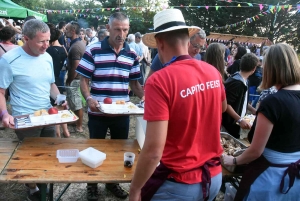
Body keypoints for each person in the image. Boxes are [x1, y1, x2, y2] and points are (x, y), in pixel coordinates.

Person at [129, 9, 227, 201]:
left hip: (179, 185)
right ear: (187, 40)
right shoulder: (212, 72)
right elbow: (222, 107)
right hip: (213, 177)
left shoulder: (159, 80)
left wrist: (135, 188)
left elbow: (153, 151)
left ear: (160, 42)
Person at [76, 12, 144, 200]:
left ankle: (112, 183)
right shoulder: (93, 49)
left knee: (118, 151)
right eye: (117, 29)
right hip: (98, 112)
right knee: (94, 149)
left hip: (122, 113)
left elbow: (135, 85)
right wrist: (89, 98)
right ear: (108, 28)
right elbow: (84, 80)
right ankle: (92, 185)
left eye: (125, 29)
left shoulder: (132, 53)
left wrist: (148, 98)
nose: (121, 34)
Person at [222, 43, 300, 201]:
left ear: (272, 68)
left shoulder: (274, 102)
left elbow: (256, 150)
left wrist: (234, 160)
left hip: (269, 177)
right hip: (294, 179)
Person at [0, 19, 67, 201]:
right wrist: (5, 114)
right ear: (26, 38)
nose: (46, 45)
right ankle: (32, 188)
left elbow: (51, 84)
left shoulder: (47, 56)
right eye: (41, 41)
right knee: (30, 157)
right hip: (25, 118)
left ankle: (44, 186)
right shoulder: (9, 59)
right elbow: (1, 91)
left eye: (47, 40)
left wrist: (60, 98)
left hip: (48, 115)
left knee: (48, 154)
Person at [222, 53, 258, 138]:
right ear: (254, 68)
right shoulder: (236, 83)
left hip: (236, 122)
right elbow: (227, 104)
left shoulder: (245, 81)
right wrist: (240, 119)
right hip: (229, 124)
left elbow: (242, 100)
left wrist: (253, 109)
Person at [46, 23, 70, 138]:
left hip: (52, 83)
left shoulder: (48, 51)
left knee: (55, 111)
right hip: (59, 81)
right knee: (61, 109)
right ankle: (66, 132)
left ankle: (58, 135)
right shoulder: (63, 49)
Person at [65, 21, 85, 133]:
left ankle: (79, 126)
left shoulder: (76, 46)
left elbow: (76, 67)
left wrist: (69, 79)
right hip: (78, 78)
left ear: (73, 31)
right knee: (74, 102)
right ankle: (76, 121)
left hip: (76, 79)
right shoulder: (78, 43)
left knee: (77, 103)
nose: (65, 31)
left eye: (67, 29)